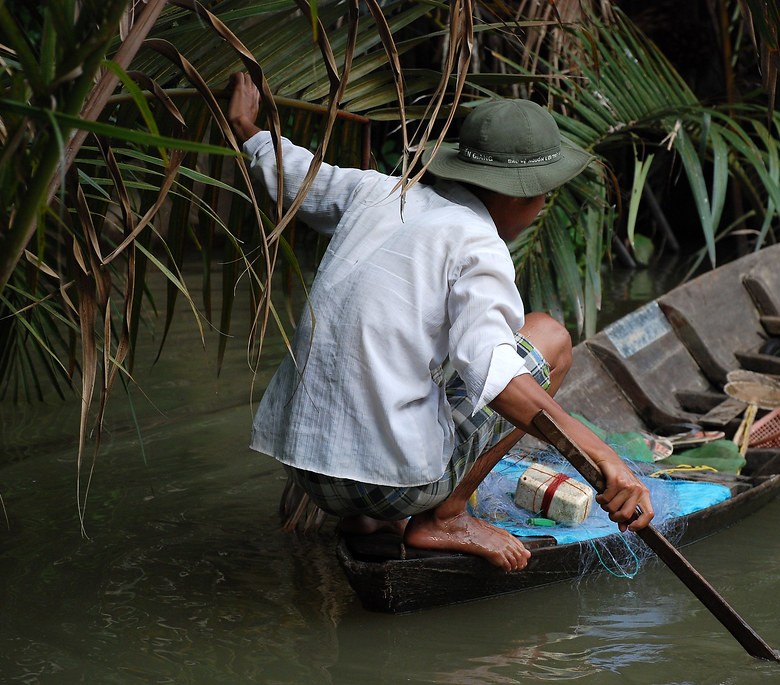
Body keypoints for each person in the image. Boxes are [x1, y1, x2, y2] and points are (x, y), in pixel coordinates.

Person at [227, 73, 653, 572]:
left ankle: (368, 522)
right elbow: (498, 383)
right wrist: (604, 457)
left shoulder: (378, 191)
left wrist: (244, 125)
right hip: (391, 487)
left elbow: (292, 171)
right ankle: (445, 518)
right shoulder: (478, 243)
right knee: (551, 338)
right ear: (522, 197)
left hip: (308, 473)